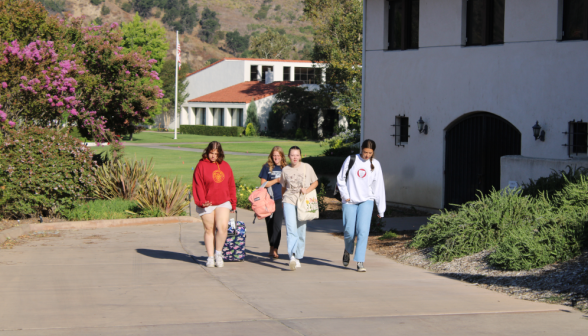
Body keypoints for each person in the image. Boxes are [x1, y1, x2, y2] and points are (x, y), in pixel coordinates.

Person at [336, 139, 386, 272]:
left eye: (370, 153)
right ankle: (347, 249)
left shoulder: (375, 164)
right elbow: (340, 178)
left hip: (367, 200)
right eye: (365, 152)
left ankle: (360, 261)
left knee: (363, 232)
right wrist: (345, 195)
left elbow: (379, 187)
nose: (367, 155)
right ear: (361, 150)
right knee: (349, 232)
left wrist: (381, 209)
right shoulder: (351, 159)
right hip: (349, 200)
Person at [192, 141, 237, 268]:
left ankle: (218, 253)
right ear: (207, 152)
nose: (213, 156)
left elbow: (231, 185)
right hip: (207, 203)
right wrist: (201, 202)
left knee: (222, 227)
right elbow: (197, 185)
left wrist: (233, 202)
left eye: (216, 153)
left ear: (220, 154)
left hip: (223, 201)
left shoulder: (226, 166)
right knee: (209, 229)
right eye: (211, 153)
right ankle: (210, 257)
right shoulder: (201, 165)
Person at [280, 146, 319, 271]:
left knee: (301, 230)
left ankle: (298, 256)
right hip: (289, 200)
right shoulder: (285, 170)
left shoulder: (307, 167)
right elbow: (283, 186)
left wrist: (307, 190)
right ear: (288, 156)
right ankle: (292, 256)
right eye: (292, 155)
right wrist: (283, 200)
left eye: (297, 155)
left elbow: (315, 182)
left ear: (300, 156)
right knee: (291, 229)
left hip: (303, 202)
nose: (295, 157)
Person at [258, 146, 287, 259]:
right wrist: (276, 180)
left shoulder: (286, 167)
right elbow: (263, 184)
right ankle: (271, 246)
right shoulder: (267, 167)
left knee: (277, 225)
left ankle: (275, 248)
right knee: (269, 224)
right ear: (271, 156)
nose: (276, 157)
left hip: (280, 198)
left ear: (282, 156)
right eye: (274, 155)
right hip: (268, 199)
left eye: (278, 155)